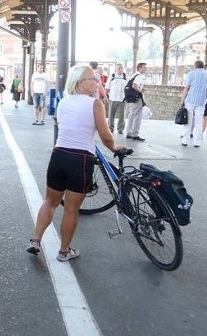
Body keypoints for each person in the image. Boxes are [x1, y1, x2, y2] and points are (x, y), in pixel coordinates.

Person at [26, 65, 123, 261]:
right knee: (71, 209)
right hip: (80, 159)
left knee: (50, 201)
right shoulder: (94, 104)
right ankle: (64, 251)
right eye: (92, 79)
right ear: (79, 81)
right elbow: (105, 136)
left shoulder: (63, 102)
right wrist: (114, 148)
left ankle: (35, 240)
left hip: (59, 156)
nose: (96, 82)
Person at [179, 60, 207, 148]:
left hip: (190, 100)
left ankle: (185, 140)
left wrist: (182, 101)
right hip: (202, 101)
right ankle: (197, 142)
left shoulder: (191, 74)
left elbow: (187, 88)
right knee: (198, 121)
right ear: (203, 66)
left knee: (189, 121)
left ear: (195, 66)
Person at [125, 62, 147, 141]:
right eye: (144, 67)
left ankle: (129, 132)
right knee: (137, 116)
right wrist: (140, 91)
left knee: (132, 115)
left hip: (132, 98)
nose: (145, 69)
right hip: (137, 98)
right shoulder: (139, 76)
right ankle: (134, 134)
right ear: (139, 68)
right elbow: (134, 85)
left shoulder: (134, 75)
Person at [106, 63, 127, 134]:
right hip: (113, 98)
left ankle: (120, 129)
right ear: (116, 69)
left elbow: (128, 88)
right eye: (119, 68)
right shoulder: (112, 76)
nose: (120, 69)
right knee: (111, 114)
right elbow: (107, 88)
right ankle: (110, 128)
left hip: (122, 99)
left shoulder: (126, 77)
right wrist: (106, 96)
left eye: (121, 68)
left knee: (122, 115)